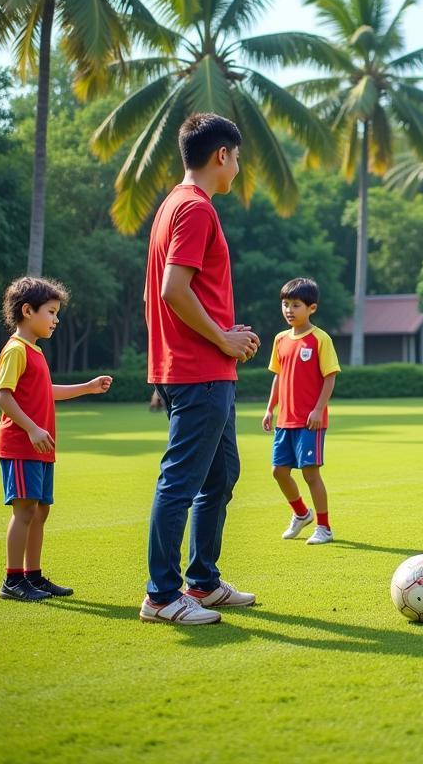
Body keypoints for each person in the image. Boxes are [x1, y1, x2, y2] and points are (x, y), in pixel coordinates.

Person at [141, 113, 261, 626]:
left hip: (199, 369)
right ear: (222, 156)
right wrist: (225, 339)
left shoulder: (173, 205)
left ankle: (203, 583)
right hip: (199, 372)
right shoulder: (195, 209)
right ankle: (162, 596)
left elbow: (157, 292)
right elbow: (171, 290)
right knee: (181, 482)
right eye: (238, 159)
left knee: (221, 475)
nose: (238, 168)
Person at [0, 277, 112, 602]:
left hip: (41, 448)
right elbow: (3, 396)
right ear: (27, 310)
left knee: (40, 511)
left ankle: (33, 576)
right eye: (51, 311)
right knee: (24, 511)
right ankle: (13, 580)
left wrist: (86, 388)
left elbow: (45, 392)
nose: (56, 319)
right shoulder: (16, 350)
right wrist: (32, 428)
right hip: (21, 445)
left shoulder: (35, 352)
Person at [262, 277, 341, 545]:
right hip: (285, 420)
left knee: (310, 473)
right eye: (285, 304)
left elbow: (330, 376)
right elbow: (277, 376)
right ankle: (301, 513)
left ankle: (324, 527)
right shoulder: (280, 340)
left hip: (310, 421)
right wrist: (270, 409)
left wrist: (319, 409)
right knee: (278, 471)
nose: (289, 310)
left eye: (296, 305)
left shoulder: (320, 339)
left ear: (312, 308)